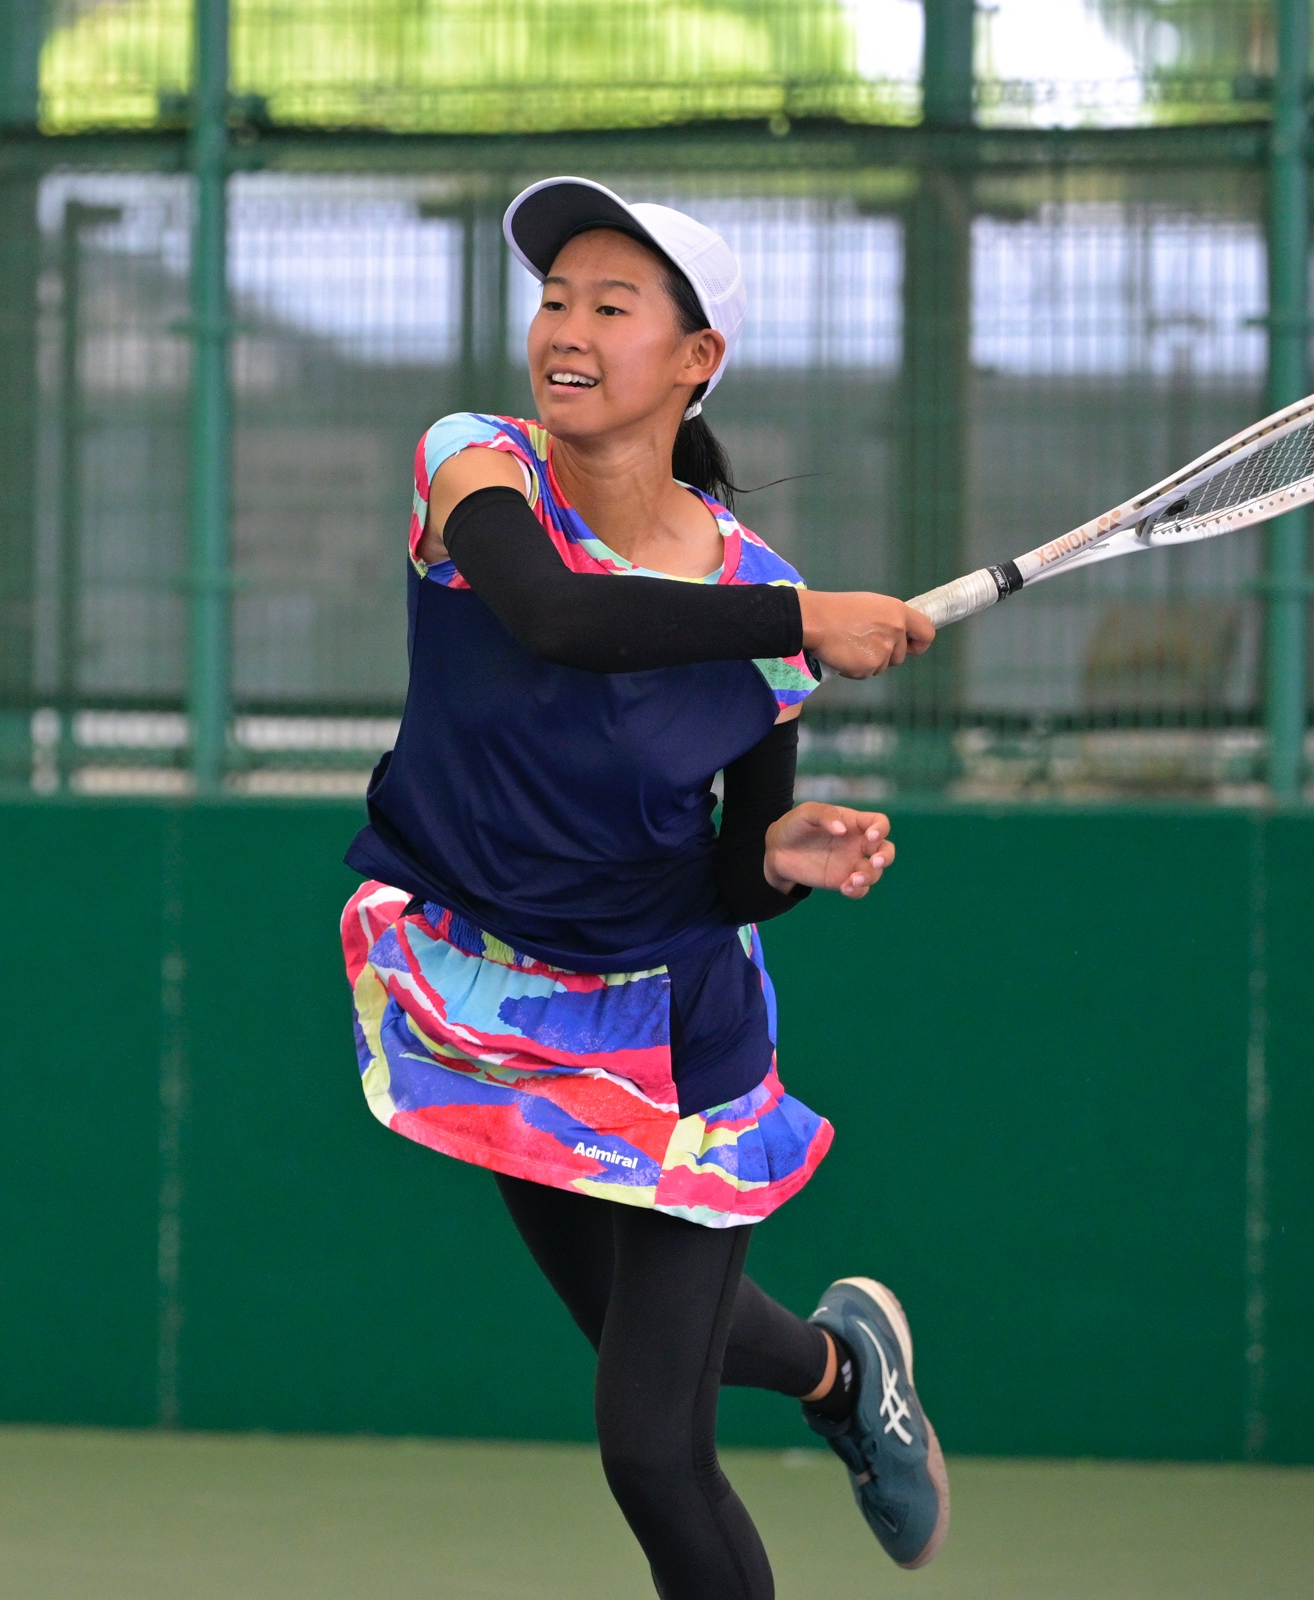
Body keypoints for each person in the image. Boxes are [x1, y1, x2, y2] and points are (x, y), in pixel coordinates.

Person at [338, 177, 948, 1598]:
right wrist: (800, 616)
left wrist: (781, 862)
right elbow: (558, 613)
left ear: (695, 359)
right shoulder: (475, 463)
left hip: (670, 1026)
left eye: (614, 308)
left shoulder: (767, 613)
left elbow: (737, 866)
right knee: (635, 1336)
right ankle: (841, 1369)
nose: (567, 330)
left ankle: (837, 1375)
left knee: (652, 1451)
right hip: (490, 990)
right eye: (556, 300)